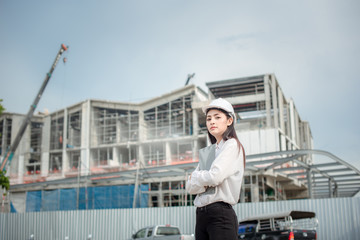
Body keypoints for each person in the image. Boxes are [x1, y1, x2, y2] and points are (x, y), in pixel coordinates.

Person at [186, 98, 245, 240]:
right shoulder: (209, 152)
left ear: (229, 120)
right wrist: (203, 181)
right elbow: (190, 188)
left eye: (217, 117)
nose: (212, 122)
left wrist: (196, 177)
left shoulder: (231, 145)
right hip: (201, 215)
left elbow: (215, 177)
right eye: (208, 119)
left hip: (220, 215)